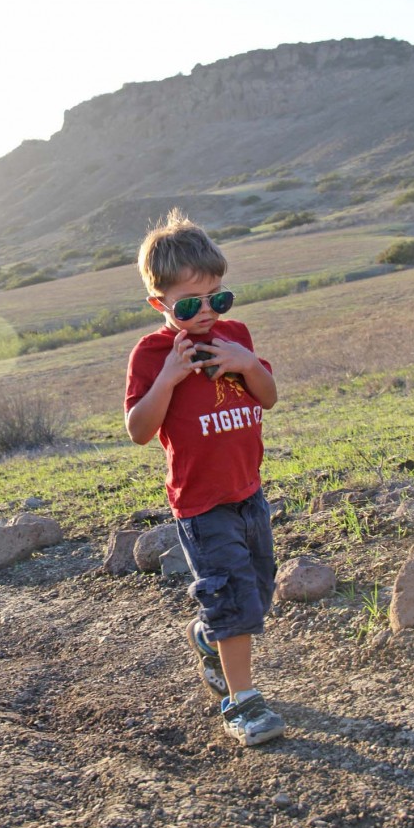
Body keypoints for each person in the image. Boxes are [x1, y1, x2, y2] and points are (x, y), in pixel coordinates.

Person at [124, 208, 284, 747]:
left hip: (248, 492)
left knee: (256, 595)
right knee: (234, 601)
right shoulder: (150, 354)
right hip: (200, 504)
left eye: (219, 297)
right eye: (191, 304)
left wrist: (246, 362)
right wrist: (168, 378)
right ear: (160, 304)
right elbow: (138, 431)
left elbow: (269, 397)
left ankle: (205, 634)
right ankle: (242, 703)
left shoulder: (233, 334)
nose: (208, 312)